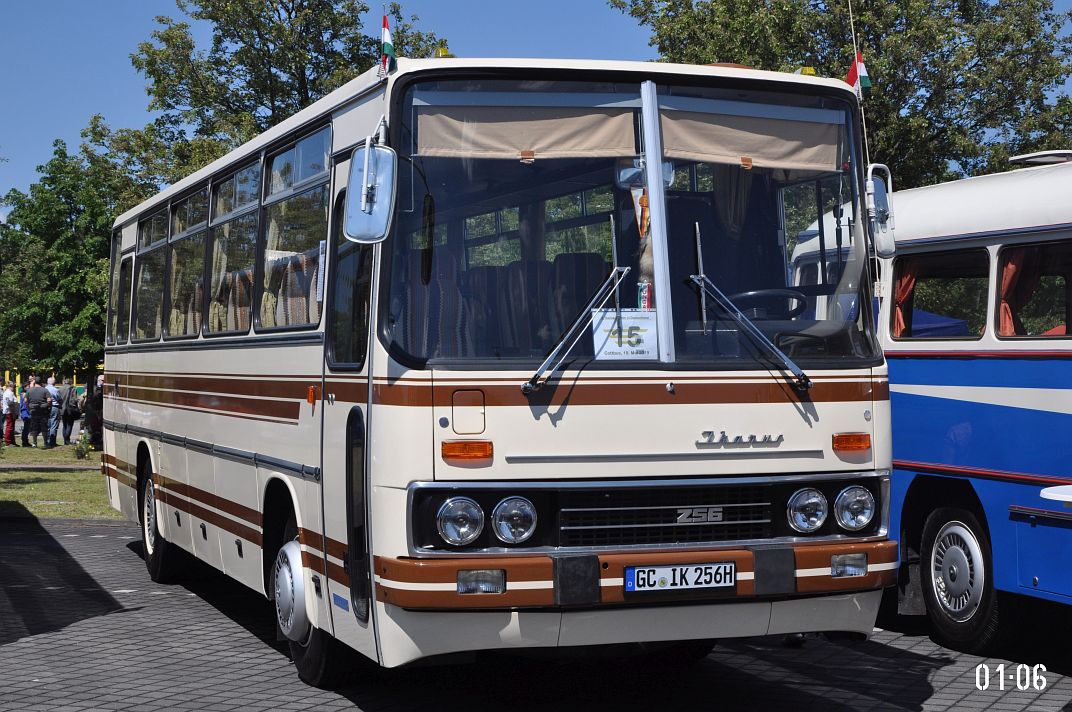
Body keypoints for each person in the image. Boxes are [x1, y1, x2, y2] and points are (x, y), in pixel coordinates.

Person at [25, 375, 52, 448]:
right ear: (41, 382)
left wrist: (28, 409)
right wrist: (48, 406)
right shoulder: (45, 390)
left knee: (34, 427)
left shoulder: (29, 390)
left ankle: (34, 443)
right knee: (44, 427)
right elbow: (49, 400)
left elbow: (26, 401)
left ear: (34, 382)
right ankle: (45, 443)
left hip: (33, 411)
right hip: (43, 411)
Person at [58, 377, 79, 445]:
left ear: (64, 382)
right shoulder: (73, 389)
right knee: (69, 424)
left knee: (64, 424)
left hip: (62, 409)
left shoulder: (60, 389)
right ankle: (67, 439)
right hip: (70, 409)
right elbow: (74, 399)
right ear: (70, 382)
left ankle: (65, 440)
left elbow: (59, 399)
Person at [88, 374, 104, 451]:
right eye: (103, 381)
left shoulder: (105, 388)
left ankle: (99, 439)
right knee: (94, 425)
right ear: (99, 380)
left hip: (102, 410)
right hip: (95, 410)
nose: (104, 382)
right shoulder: (94, 389)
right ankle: (94, 440)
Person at [45, 376, 61, 448]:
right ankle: (52, 441)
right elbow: (59, 398)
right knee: (54, 424)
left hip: (46, 407)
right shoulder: (55, 390)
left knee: (48, 424)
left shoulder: (44, 389)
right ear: (54, 382)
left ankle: (47, 441)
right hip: (54, 407)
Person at [1, 380, 15, 446]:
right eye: (14, 387)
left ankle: (10, 441)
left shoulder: (6, 392)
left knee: (9, 426)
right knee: (9, 426)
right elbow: (10, 403)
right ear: (11, 386)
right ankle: (8, 441)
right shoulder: (10, 393)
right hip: (10, 411)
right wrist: (13, 412)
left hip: (7, 411)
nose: (14, 388)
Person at [19, 380, 31, 447]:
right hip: (25, 412)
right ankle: (24, 441)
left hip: (26, 412)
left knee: (27, 427)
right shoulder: (24, 394)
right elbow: (25, 404)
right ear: (25, 387)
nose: (29, 387)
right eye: (28, 386)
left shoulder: (25, 394)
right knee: (26, 427)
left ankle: (26, 441)